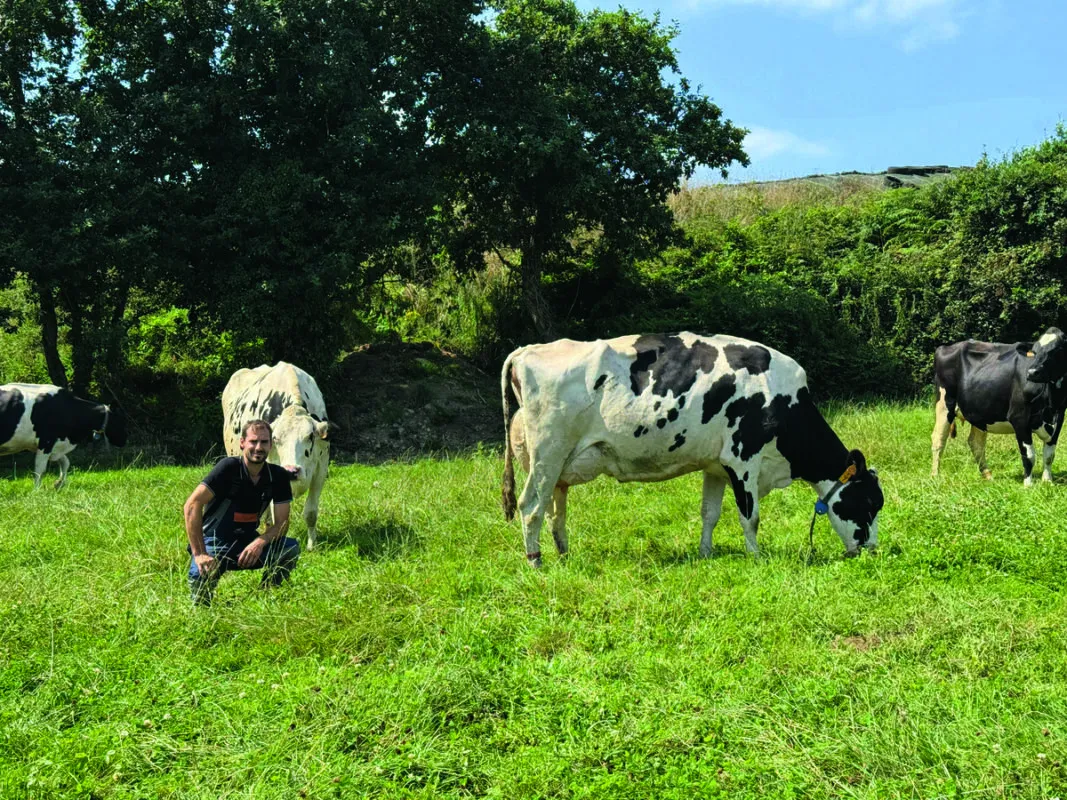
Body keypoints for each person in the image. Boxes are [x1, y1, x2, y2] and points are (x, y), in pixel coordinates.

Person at [183, 419, 300, 606]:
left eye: (264, 442)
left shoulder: (277, 476)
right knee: (199, 581)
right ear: (242, 443)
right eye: (253, 441)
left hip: (248, 543)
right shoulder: (228, 468)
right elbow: (191, 505)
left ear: (271, 445)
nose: (258, 447)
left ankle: (270, 594)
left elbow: (282, 523)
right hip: (215, 542)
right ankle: (203, 610)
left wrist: (259, 543)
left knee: (290, 547)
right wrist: (199, 554)